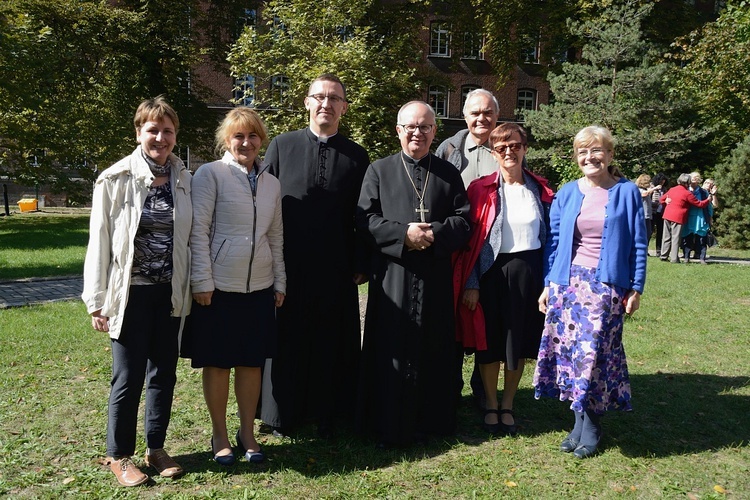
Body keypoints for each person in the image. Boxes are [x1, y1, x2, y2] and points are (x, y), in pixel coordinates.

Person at [81, 96, 192, 486]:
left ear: (175, 136)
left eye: (167, 131)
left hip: (170, 293)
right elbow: (100, 242)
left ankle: (156, 447)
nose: (160, 137)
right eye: (153, 130)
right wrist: (97, 301)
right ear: (138, 132)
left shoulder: (183, 177)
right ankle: (119, 455)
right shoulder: (114, 179)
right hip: (130, 296)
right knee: (127, 378)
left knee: (164, 374)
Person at [356, 101, 471, 447]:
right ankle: (386, 419)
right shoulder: (379, 170)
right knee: (390, 342)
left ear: (435, 131)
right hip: (393, 274)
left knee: (432, 344)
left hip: (434, 275)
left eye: (424, 127)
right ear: (398, 130)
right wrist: (404, 235)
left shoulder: (449, 174)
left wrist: (433, 233)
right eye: (410, 126)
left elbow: (464, 221)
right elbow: (365, 219)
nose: (417, 133)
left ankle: (431, 419)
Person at [262, 74, 369, 438]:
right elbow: (264, 205)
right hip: (287, 263)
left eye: (334, 98)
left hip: (336, 267)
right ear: (307, 102)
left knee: (330, 341)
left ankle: (329, 413)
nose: (326, 103)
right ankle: (281, 414)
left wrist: (360, 262)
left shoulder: (357, 156)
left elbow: (364, 215)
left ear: (344, 107)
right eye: (319, 97)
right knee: (286, 340)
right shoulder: (281, 145)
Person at [534, 125, 647, 459]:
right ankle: (577, 423)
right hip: (568, 285)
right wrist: (548, 284)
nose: (589, 157)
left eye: (596, 151)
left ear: (610, 154)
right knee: (572, 355)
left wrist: (636, 288)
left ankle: (593, 426)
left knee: (596, 358)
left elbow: (639, 244)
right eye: (582, 152)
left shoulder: (627, 192)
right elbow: (553, 244)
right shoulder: (567, 193)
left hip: (606, 286)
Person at [189, 107, 285, 465]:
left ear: (262, 140)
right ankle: (219, 434)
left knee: (251, 363)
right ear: (226, 141)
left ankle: (247, 432)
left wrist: (280, 280)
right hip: (217, 287)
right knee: (217, 363)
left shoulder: (272, 182)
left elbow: (275, 236)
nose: (246, 142)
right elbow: (198, 231)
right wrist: (202, 279)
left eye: (253, 135)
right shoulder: (209, 175)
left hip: (259, 287)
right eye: (238, 136)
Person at [453, 123, 554, 436]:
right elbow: (470, 242)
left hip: (528, 272)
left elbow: (552, 238)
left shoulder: (541, 189)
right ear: (493, 153)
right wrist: (471, 282)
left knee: (517, 341)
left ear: (525, 148)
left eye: (515, 146)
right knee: (489, 341)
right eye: (501, 148)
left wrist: (549, 283)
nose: (509, 152)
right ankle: (490, 403)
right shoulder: (480, 189)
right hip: (489, 273)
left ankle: (508, 403)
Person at [436, 88, 500, 408]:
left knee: (487, 320)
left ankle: (481, 387)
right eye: (475, 112)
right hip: (457, 249)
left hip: (495, 249)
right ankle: (450, 384)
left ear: (496, 116)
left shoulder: (505, 148)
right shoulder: (449, 148)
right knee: (454, 321)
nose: (481, 118)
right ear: (465, 116)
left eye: (487, 112)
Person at [659, 173, 712, 263]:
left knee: (666, 236)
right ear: (687, 182)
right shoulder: (687, 193)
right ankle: (674, 258)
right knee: (676, 238)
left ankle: (663, 255)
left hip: (667, 215)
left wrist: (666, 202)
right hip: (678, 217)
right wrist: (708, 200)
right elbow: (699, 204)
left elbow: (661, 199)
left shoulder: (672, 189)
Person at [680, 172, 713, 264]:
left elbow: (709, 206)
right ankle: (686, 257)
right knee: (687, 238)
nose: (693, 180)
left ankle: (702, 258)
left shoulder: (703, 192)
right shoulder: (685, 190)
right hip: (688, 217)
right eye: (691, 178)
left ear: (699, 180)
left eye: (695, 178)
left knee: (702, 238)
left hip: (700, 217)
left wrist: (710, 217)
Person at [635, 174, 661, 252]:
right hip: (642, 215)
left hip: (648, 215)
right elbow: (645, 194)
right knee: (644, 233)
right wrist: (654, 188)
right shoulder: (638, 190)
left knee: (648, 233)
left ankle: (645, 249)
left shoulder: (645, 190)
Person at [650, 173, 668, 256]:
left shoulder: (664, 189)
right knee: (650, 230)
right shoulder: (651, 186)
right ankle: (645, 249)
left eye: (664, 181)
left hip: (661, 212)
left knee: (660, 231)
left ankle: (659, 250)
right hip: (652, 211)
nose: (663, 182)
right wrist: (654, 188)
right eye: (661, 181)